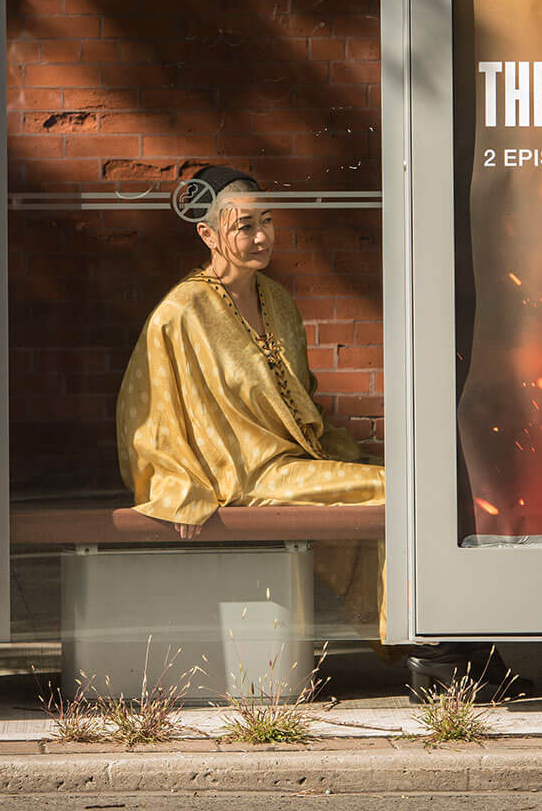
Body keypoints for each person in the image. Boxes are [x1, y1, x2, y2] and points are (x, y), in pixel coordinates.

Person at [115, 166, 496, 698]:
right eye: (245, 226)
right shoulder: (181, 312)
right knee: (397, 492)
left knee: (409, 483)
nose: (262, 237)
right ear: (208, 234)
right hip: (245, 475)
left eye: (267, 222)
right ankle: (433, 654)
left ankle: (458, 643)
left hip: (297, 462)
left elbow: (302, 400)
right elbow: (146, 412)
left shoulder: (276, 299)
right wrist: (177, 484)